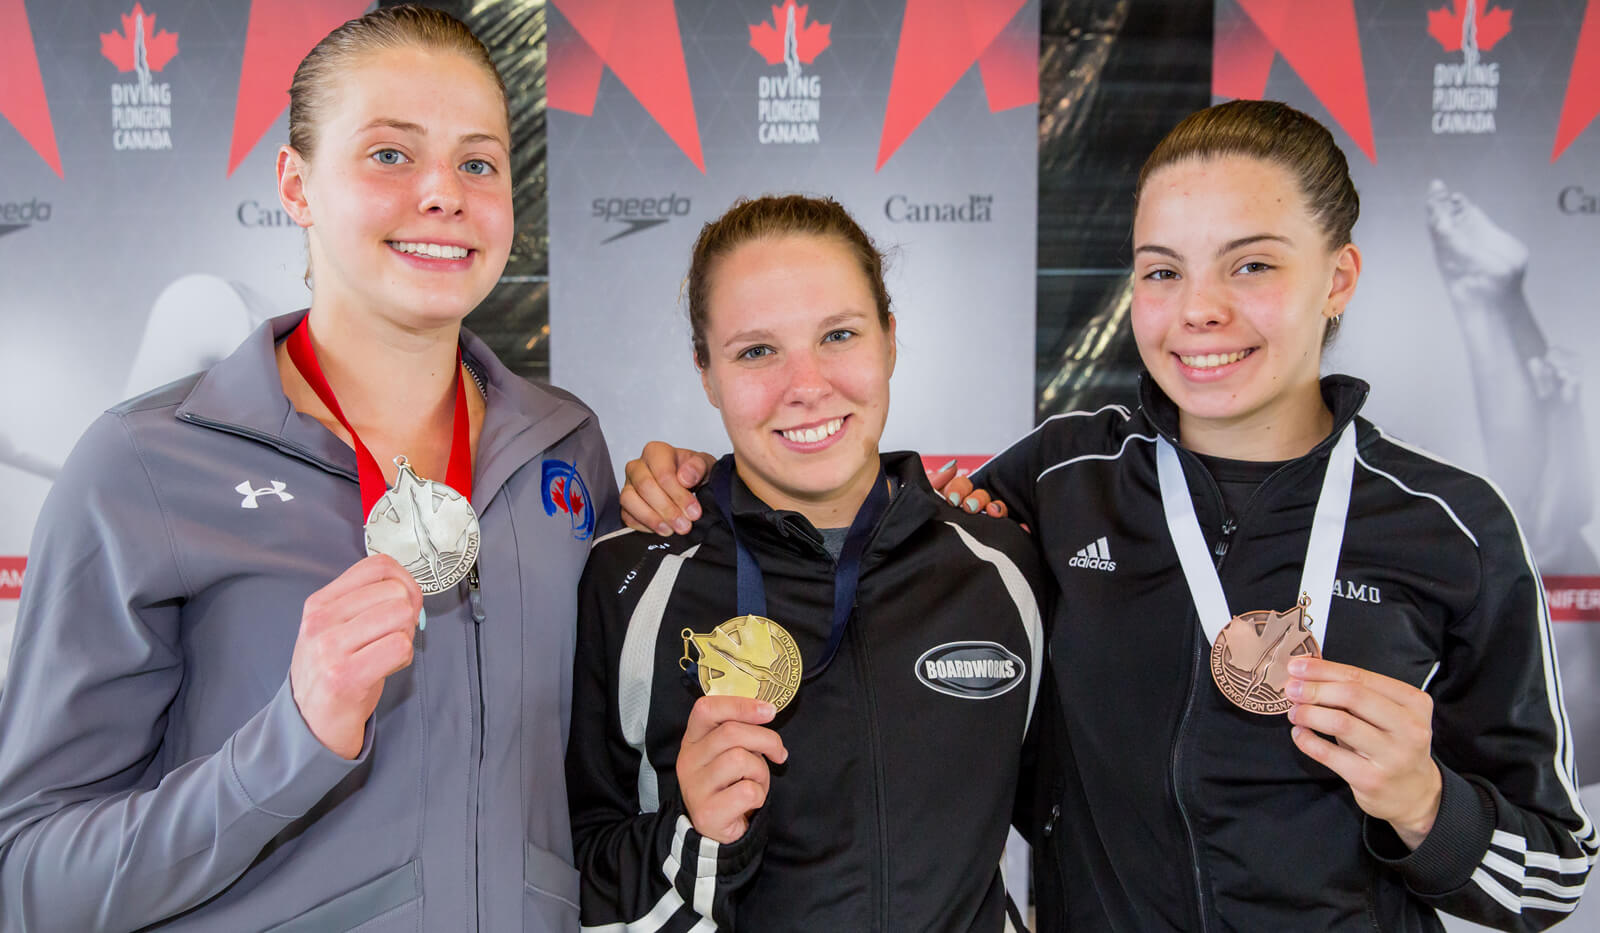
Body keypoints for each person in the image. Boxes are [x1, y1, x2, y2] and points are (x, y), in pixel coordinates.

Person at [616, 101, 1595, 931]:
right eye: (1163, 271)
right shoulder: (1061, 476)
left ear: (1337, 277)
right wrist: (699, 482)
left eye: (1249, 266)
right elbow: (862, 528)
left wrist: (1426, 805)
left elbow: (1554, 873)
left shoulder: (1449, 525)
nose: (1198, 309)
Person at [0, 7, 615, 931]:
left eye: (478, 163)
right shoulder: (145, 465)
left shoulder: (563, 448)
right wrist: (292, 740)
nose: (443, 193)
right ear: (296, 184)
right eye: (389, 155)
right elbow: (30, 879)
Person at [566, 194, 1047, 931]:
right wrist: (693, 831)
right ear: (705, 370)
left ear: (889, 339)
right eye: (757, 350)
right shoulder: (628, 577)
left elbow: (1084, 824)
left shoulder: (1001, 565)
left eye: (840, 334)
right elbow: (570, 871)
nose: (807, 384)